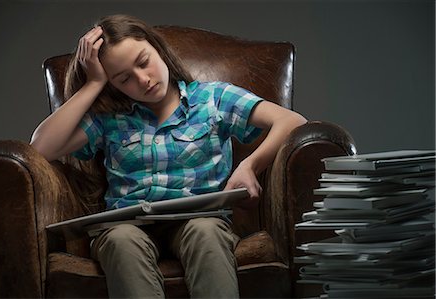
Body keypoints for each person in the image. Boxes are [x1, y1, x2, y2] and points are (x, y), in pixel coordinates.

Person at [30, 14, 307, 298]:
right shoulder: (110, 119)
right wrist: (93, 83)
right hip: (127, 225)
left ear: (158, 49)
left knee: (205, 233)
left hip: (200, 220)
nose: (143, 79)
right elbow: (40, 147)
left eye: (143, 61)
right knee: (120, 241)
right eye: (124, 79)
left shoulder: (212, 99)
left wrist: (250, 165)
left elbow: (292, 121)